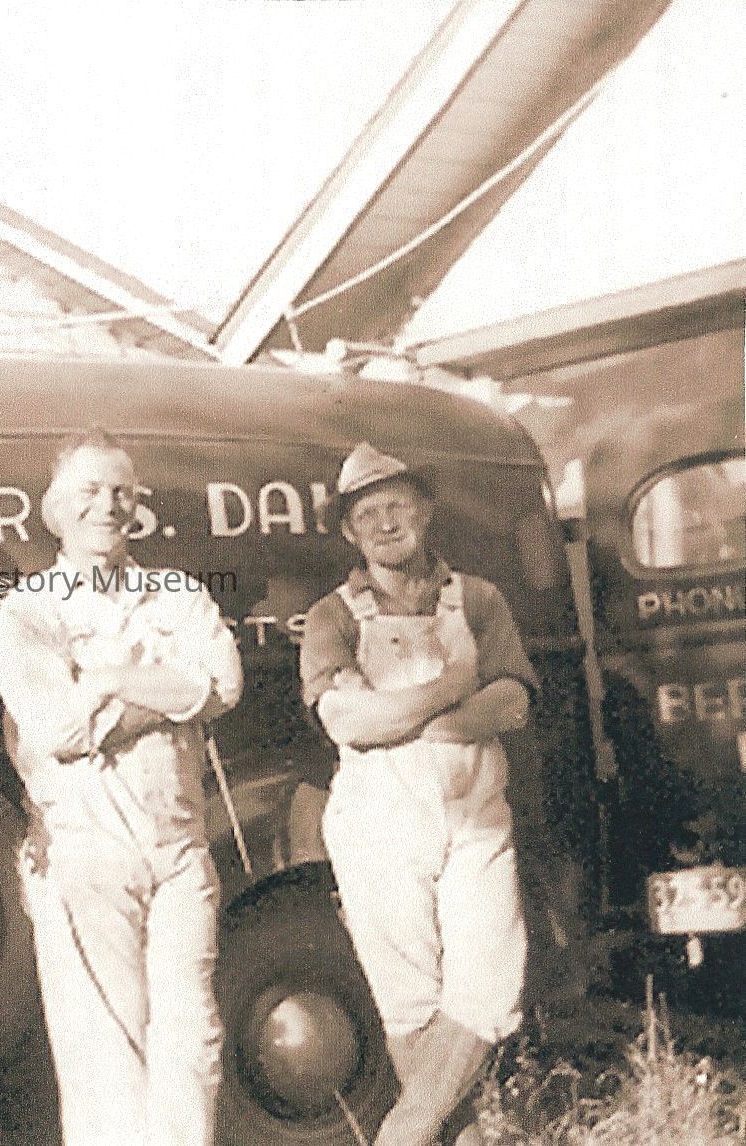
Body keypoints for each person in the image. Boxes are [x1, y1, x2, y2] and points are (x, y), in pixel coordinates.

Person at [0, 430, 243, 1146]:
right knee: (105, 1051)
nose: (107, 506)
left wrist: (107, 679)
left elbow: (223, 684)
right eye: (89, 491)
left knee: (192, 1038)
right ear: (54, 510)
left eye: (121, 492)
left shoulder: (176, 594)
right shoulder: (30, 610)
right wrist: (167, 695)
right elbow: (57, 728)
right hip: (86, 850)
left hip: (178, 849)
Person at [299, 443, 536, 1146]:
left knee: (489, 988)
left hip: (474, 821)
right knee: (410, 1007)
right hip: (379, 828)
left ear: (425, 511)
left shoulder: (479, 599)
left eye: (396, 505)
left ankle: (400, 1136)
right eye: (366, 514)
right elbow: (348, 721)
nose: (383, 523)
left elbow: (513, 702)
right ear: (350, 532)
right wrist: (455, 684)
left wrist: (416, 722)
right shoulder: (331, 616)